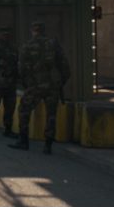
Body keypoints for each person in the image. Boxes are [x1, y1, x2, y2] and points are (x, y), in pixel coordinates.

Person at [9, 21, 70, 154]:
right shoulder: (54, 45)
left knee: (24, 109)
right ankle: (48, 145)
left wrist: (27, 84)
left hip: (35, 85)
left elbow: (22, 69)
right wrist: (60, 82)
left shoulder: (27, 46)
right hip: (53, 85)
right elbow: (65, 65)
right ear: (43, 31)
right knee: (51, 114)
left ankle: (23, 141)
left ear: (33, 31)